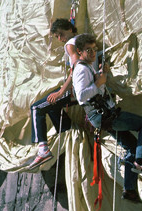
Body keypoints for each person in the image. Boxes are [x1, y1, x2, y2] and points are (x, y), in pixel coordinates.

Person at [72, 33, 142, 203]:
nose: (93, 53)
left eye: (94, 49)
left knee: (132, 147)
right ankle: (140, 162)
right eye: (89, 50)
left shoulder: (87, 67)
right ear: (79, 52)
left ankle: (129, 189)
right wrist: (99, 82)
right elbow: (81, 97)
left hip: (102, 117)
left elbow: (95, 89)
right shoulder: (80, 69)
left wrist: (102, 76)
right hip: (104, 115)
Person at [28, 19, 94, 169]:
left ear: (69, 29)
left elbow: (77, 66)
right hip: (87, 85)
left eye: (60, 34)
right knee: (51, 105)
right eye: (57, 36)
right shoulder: (84, 40)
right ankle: (66, 127)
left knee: (36, 108)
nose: (60, 39)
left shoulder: (71, 44)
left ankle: (43, 149)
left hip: (75, 89)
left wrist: (61, 91)